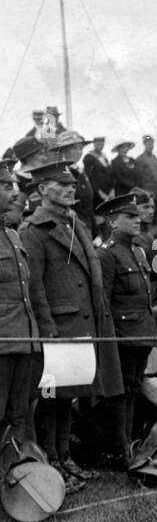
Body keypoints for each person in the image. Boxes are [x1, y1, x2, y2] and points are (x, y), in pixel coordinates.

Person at [20, 161, 124, 491]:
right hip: (58, 328)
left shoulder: (75, 223)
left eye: (72, 184)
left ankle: (65, 457)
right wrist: (48, 333)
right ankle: (51, 459)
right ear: (40, 191)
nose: (70, 189)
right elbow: (35, 289)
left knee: (69, 397)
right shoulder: (33, 231)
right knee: (51, 398)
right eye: (60, 184)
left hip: (81, 325)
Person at [97, 194, 157, 464]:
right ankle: (118, 450)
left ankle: (129, 444)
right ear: (112, 222)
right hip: (122, 336)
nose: (137, 221)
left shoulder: (138, 251)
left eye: (137, 216)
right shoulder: (107, 254)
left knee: (133, 388)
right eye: (129, 217)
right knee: (119, 392)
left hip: (142, 332)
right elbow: (105, 302)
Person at [0, 161, 40, 445]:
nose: (14, 194)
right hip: (2, 344)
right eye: (5, 187)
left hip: (23, 341)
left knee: (19, 415)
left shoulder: (12, 235)